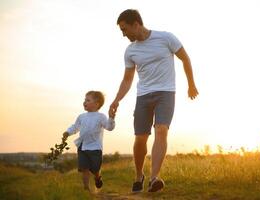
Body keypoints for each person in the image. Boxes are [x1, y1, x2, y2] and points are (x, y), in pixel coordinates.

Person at [109, 9, 199, 193]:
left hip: (166, 93)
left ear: (136, 24)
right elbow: (127, 79)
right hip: (143, 96)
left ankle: (154, 178)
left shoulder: (166, 38)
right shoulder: (130, 51)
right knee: (140, 138)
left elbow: (185, 58)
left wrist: (191, 84)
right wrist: (116, 100)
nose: (123, 34)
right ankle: (139, 175)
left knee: (161, 130)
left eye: (124, 29)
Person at [63, 91, 115, 191]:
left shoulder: (101, 117)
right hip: (82, 146)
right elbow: (75, 127)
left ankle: (97, 177)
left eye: (88, 100)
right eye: (84, 100)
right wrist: (68, 132)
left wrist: (111, 118)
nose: (84, 102)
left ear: (97, 104)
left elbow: (109, 127)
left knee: (95, 169)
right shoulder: (82, 117)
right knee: (84, 169)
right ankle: (86, 189)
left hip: (95, 148)